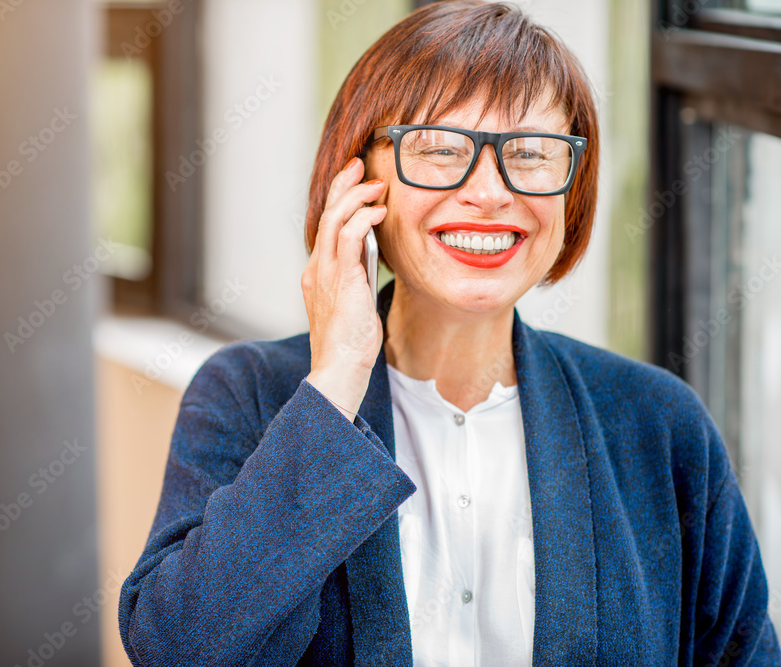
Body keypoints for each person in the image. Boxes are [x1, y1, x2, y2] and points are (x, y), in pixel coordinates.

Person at [118, 1, 781, 665]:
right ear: (357, 179)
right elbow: (178, 649)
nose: (489, 191)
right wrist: (337, 382)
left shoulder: (657, 424)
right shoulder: (247, 395)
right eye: (439, 149)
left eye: (528, 151)